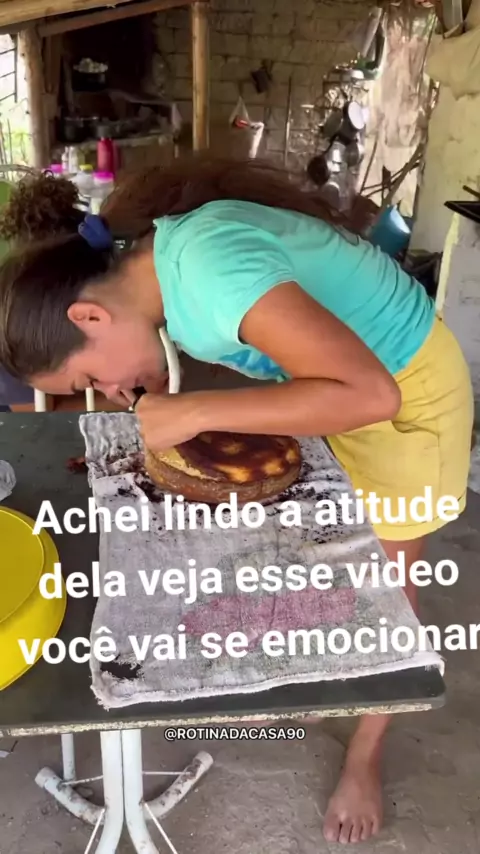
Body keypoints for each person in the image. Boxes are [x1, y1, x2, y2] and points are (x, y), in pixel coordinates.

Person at [0, 158, 473, 844]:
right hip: (351, 385)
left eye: (89, 378)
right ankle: (331, 684)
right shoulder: (168, 266)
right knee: (328, 548)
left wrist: (194, 412)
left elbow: (374, 396)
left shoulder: (210, 269)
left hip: (406, 399)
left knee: (390, 592)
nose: (110, 392)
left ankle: (366, 755)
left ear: (90, 315)